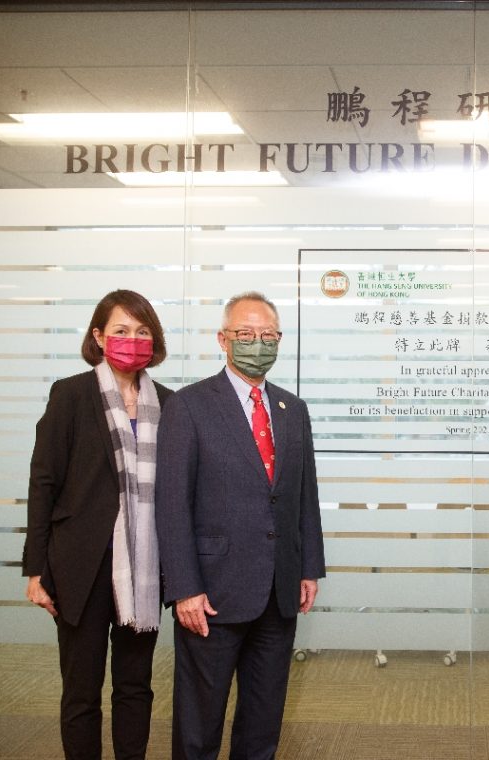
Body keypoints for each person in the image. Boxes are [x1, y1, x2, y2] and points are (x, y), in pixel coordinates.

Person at [156, 291, 326, 760]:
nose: (258, 343)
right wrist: (184, 588)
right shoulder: (188, 406)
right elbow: (171, 506)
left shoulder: (293, 410)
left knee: (263, 720)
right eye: (246, 334)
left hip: (278, 590)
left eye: (268, 335)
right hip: (211, 594)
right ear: (223, 339)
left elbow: (303, 496)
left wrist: (308, 568)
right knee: (199, 723)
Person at [23, 289, 172, 760]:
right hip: (80, 567)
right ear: (98, 336)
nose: (133, 339)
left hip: (145, 563)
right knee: (81, 692)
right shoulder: (70, 395)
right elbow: (43, 482)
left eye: (142, 331)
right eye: (121, 331)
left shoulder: (170, 403)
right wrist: (35, 570)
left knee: (135, 688)